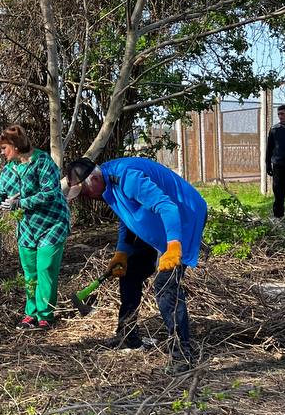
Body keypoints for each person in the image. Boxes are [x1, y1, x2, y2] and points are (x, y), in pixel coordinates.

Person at [64, 155, 207, 371]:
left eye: (83, 192)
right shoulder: (107, 185)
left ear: (92, 180)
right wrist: (122, 252)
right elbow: (127, 216)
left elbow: (168, 208)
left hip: (184, 219)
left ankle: (182, 355)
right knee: (129, 272)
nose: (85, 198)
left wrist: (174, 246)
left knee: (166, 286)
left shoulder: (128, 178)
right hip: (159, 223)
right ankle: (127, 335)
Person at [0, 124, 69, 330]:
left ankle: (45, 315)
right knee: (30, 272)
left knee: (45, 268)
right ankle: (31, 314)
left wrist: (21, 203)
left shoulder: (42, 162)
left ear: (15, 145)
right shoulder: (10, 171)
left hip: (52, 224)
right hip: (28, 229)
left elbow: (51, 193)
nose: (2, 152)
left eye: (4, 148)